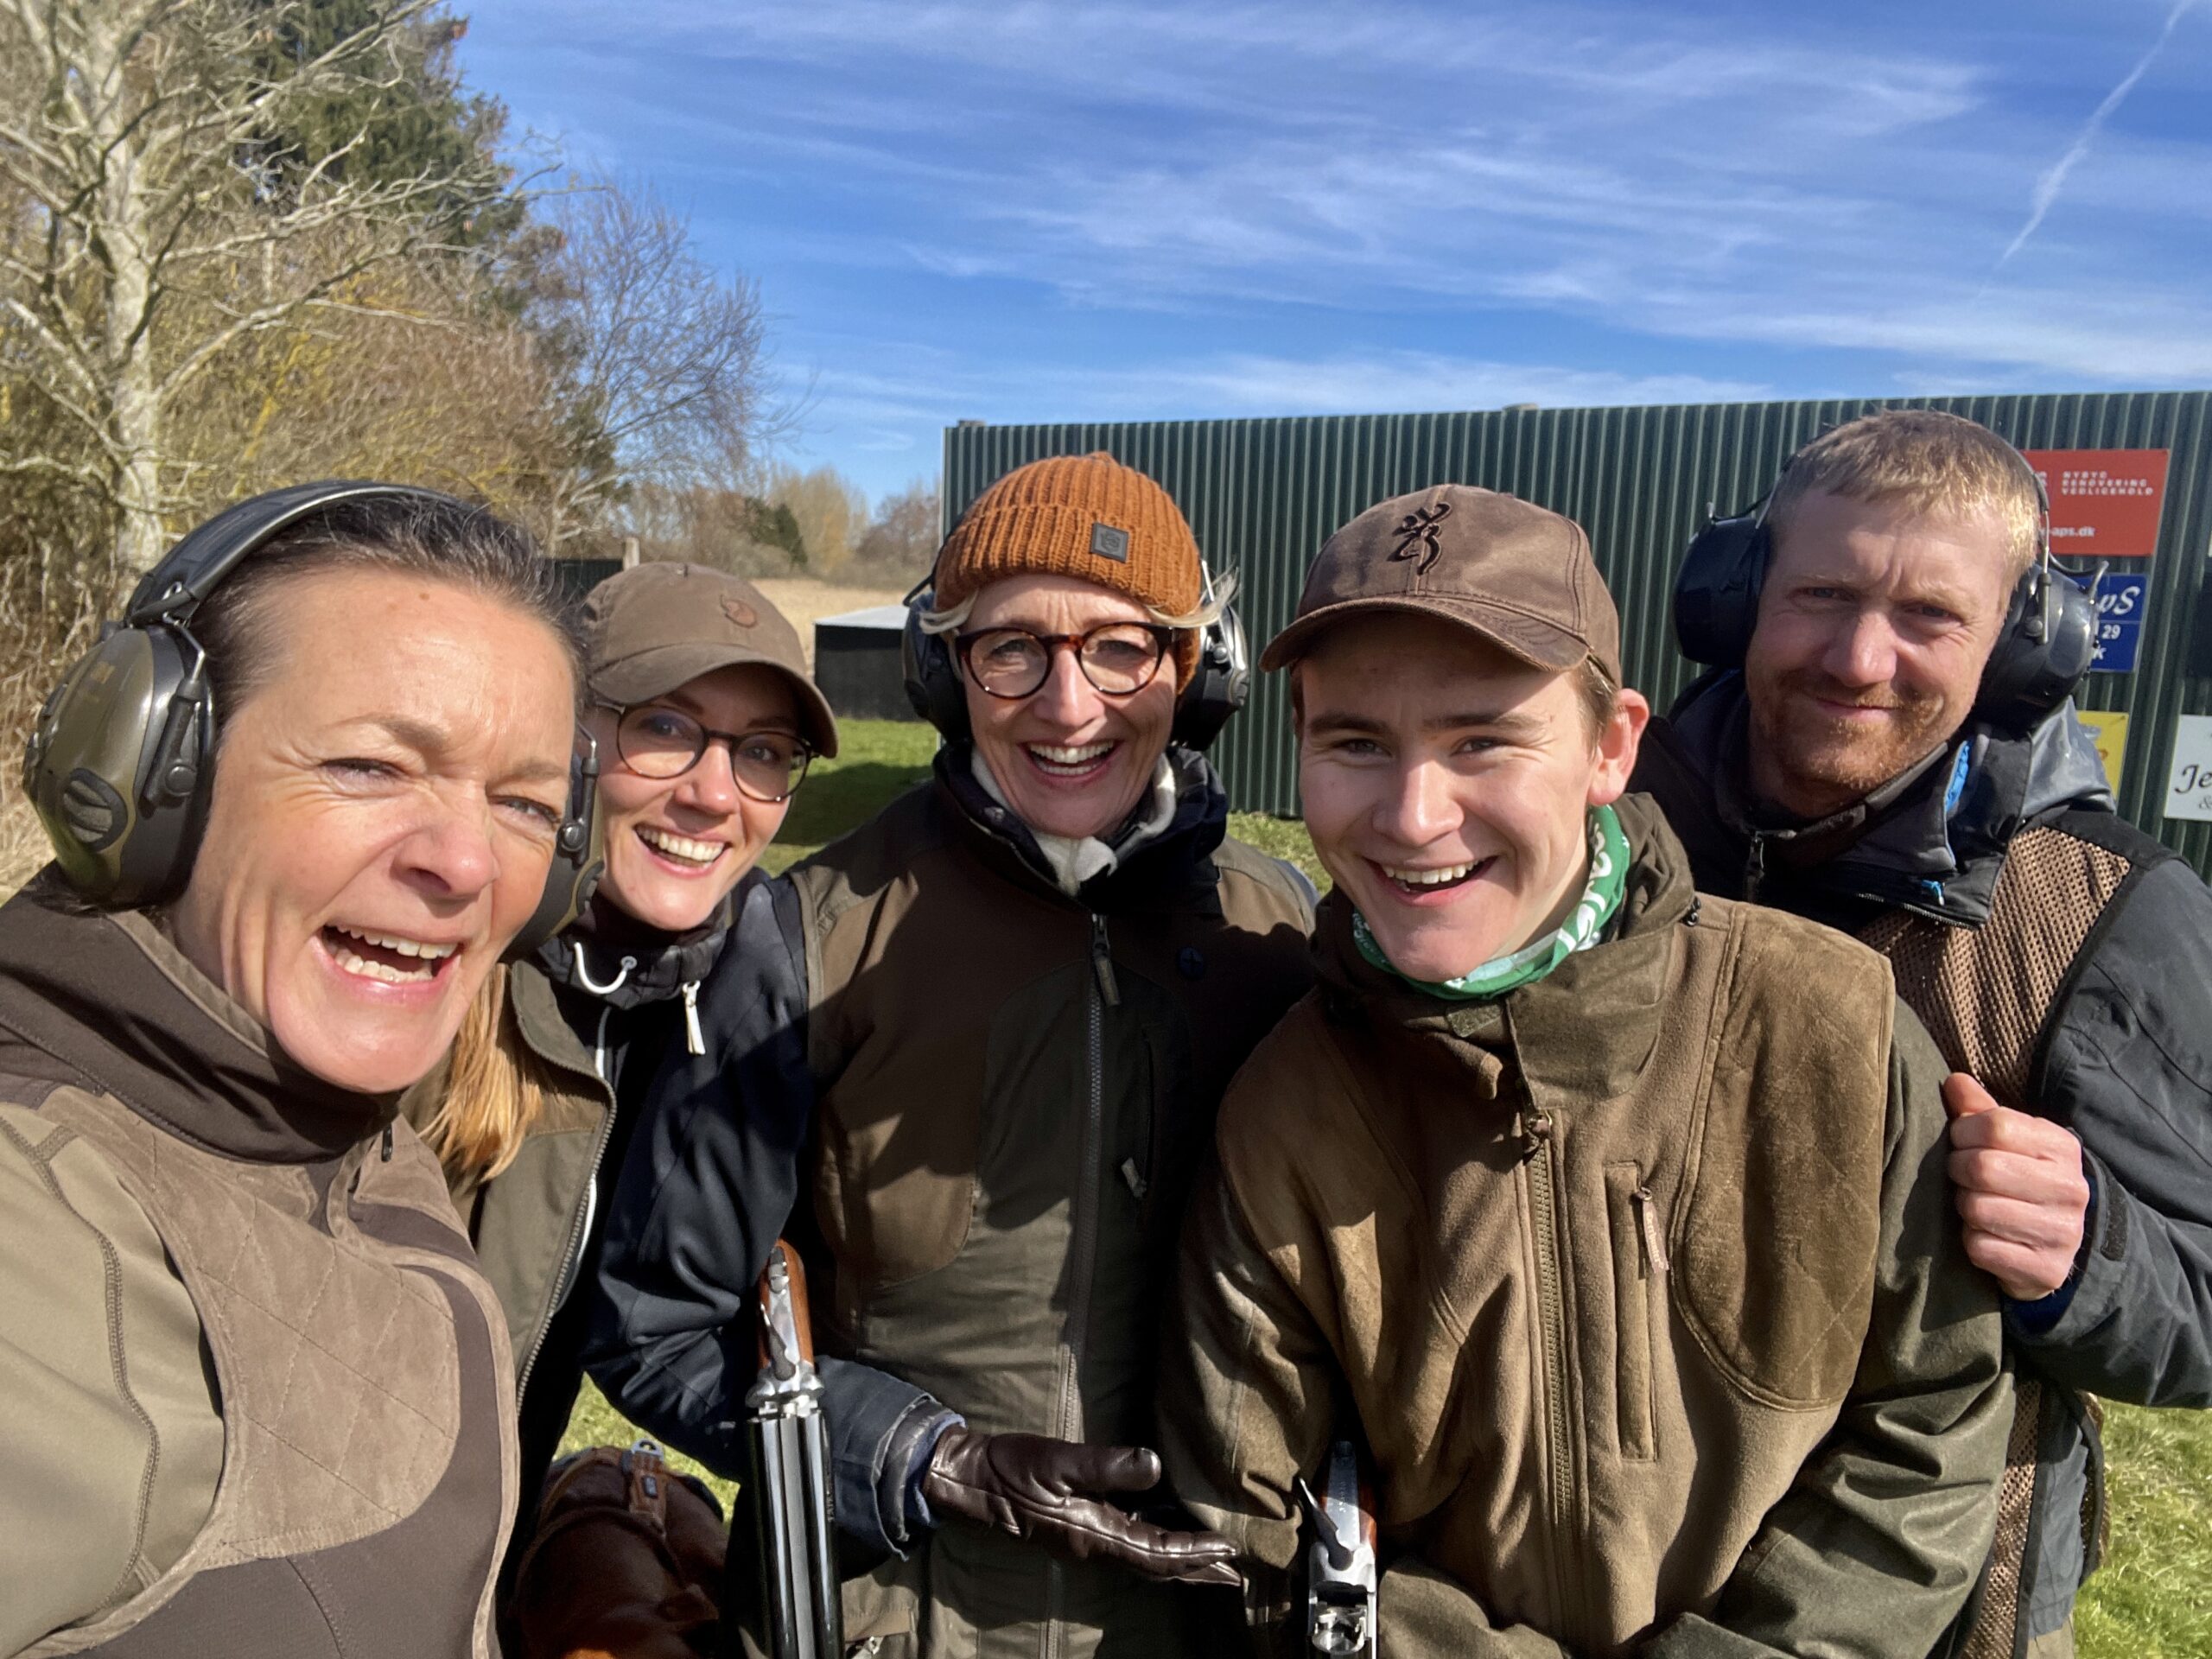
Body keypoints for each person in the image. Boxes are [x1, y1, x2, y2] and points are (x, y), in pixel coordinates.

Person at [1164, 484, 2012, 1658]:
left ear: (1612, 746)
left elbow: (1932, 1418)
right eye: (1356, 742)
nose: (1414, 817)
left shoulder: (1832, 1025)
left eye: (1483, 740)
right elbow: (1251, 1523)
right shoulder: (1286, 1109)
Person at [592, 450, 1319, 1656]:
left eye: (1121, 648)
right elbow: (659, 1325)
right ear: (948, 670)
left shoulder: (1280, 927)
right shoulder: (802, 938)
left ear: (1194, 671)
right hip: (887, 1622)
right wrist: (919, 1456)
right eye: (1012, 648)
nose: (1069, 704)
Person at [1631, 408, 2212, 1658]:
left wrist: (2091, 1252)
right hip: (1605, 1564)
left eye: (1929, 617)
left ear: (2020, 647)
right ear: (1736, 601)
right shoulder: (1613, 836)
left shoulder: (2106, 918)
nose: (1857, 656)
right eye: (1821, 594)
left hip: (1940, 1607)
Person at [0, 484, 586, 1658]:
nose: (466, 862)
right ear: (146, 772)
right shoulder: (31, 1220)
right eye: (371, 767)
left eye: (525, 803)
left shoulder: (343, 1138)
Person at [405, 560, 838, 1525]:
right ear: (563, 736)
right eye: (666, 729)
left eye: (764, 752)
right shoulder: (421, 963)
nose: (714, 794)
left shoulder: (715, 1004)